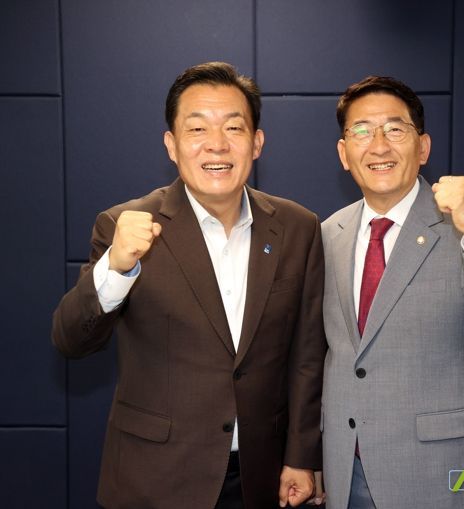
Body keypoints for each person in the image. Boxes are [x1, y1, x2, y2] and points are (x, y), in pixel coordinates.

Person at [52, 62, 326, 509]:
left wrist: (301, 456)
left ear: (257, 142)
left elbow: (307, 356)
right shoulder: (125, 225)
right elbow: (70, 339)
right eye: (197, 128)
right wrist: (116, 267)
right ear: (171, 145)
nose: (216, 143)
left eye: (233, 127)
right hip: (156, 480)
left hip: (263, 477)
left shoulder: (298, 227)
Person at [320, 76, 464, 508]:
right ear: (344, 154)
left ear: (423, 147)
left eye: (395, 129)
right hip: (346, 472)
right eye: (362, 131)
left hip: (445, 471)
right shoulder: (328, 234)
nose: (378, 145)